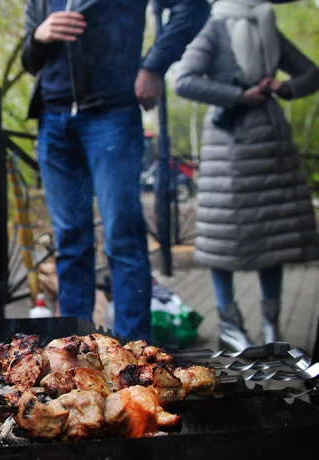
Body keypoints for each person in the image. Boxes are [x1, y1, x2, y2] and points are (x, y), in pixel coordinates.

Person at [21, 0, 211, 341]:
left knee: (123, 237)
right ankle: (74, 350)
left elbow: (193, 7)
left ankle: (132, 351)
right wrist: (38, 36)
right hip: (53, 120)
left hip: (111, 114)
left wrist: (153, 66)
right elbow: (29, 61)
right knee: (70, 241)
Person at [173, 0, 319, 351]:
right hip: (230, 148)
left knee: (272, 239)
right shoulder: (215, 26)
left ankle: (272, 326)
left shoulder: (266, 26)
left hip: (271, 148)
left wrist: (284, 88)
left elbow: (312, 73)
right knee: (223, 238)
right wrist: (238, 95)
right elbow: (184, 79)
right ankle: (230, 325)